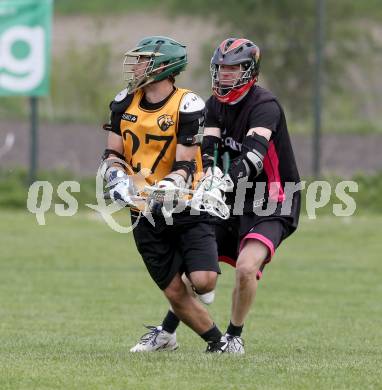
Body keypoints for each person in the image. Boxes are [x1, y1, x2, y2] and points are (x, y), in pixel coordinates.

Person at [132, 37, 301, 354]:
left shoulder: (265, 106)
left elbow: (253, 156)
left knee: (247, 267)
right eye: (221, 68)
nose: (225, 75)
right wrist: (206, 176)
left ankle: (233, 337)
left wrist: (221, 181)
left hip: (274, 196)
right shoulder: (213, 106)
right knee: (195, 269)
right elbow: (207, 151)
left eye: (233, 68)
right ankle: (167, 333)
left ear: (250, 71)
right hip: (233, 196)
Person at [101, 36, 227, 353]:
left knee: (204, 281)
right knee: (173, 290)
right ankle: (218, 343)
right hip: (142, 208)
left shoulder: (188, 105)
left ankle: (192, 279)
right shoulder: (123, 101)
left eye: (143, 60)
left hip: (187, 204)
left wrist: (170, 183)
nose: (136, 66)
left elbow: (186, 161)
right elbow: (113, 152)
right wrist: (115, 173)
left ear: (164, 67)